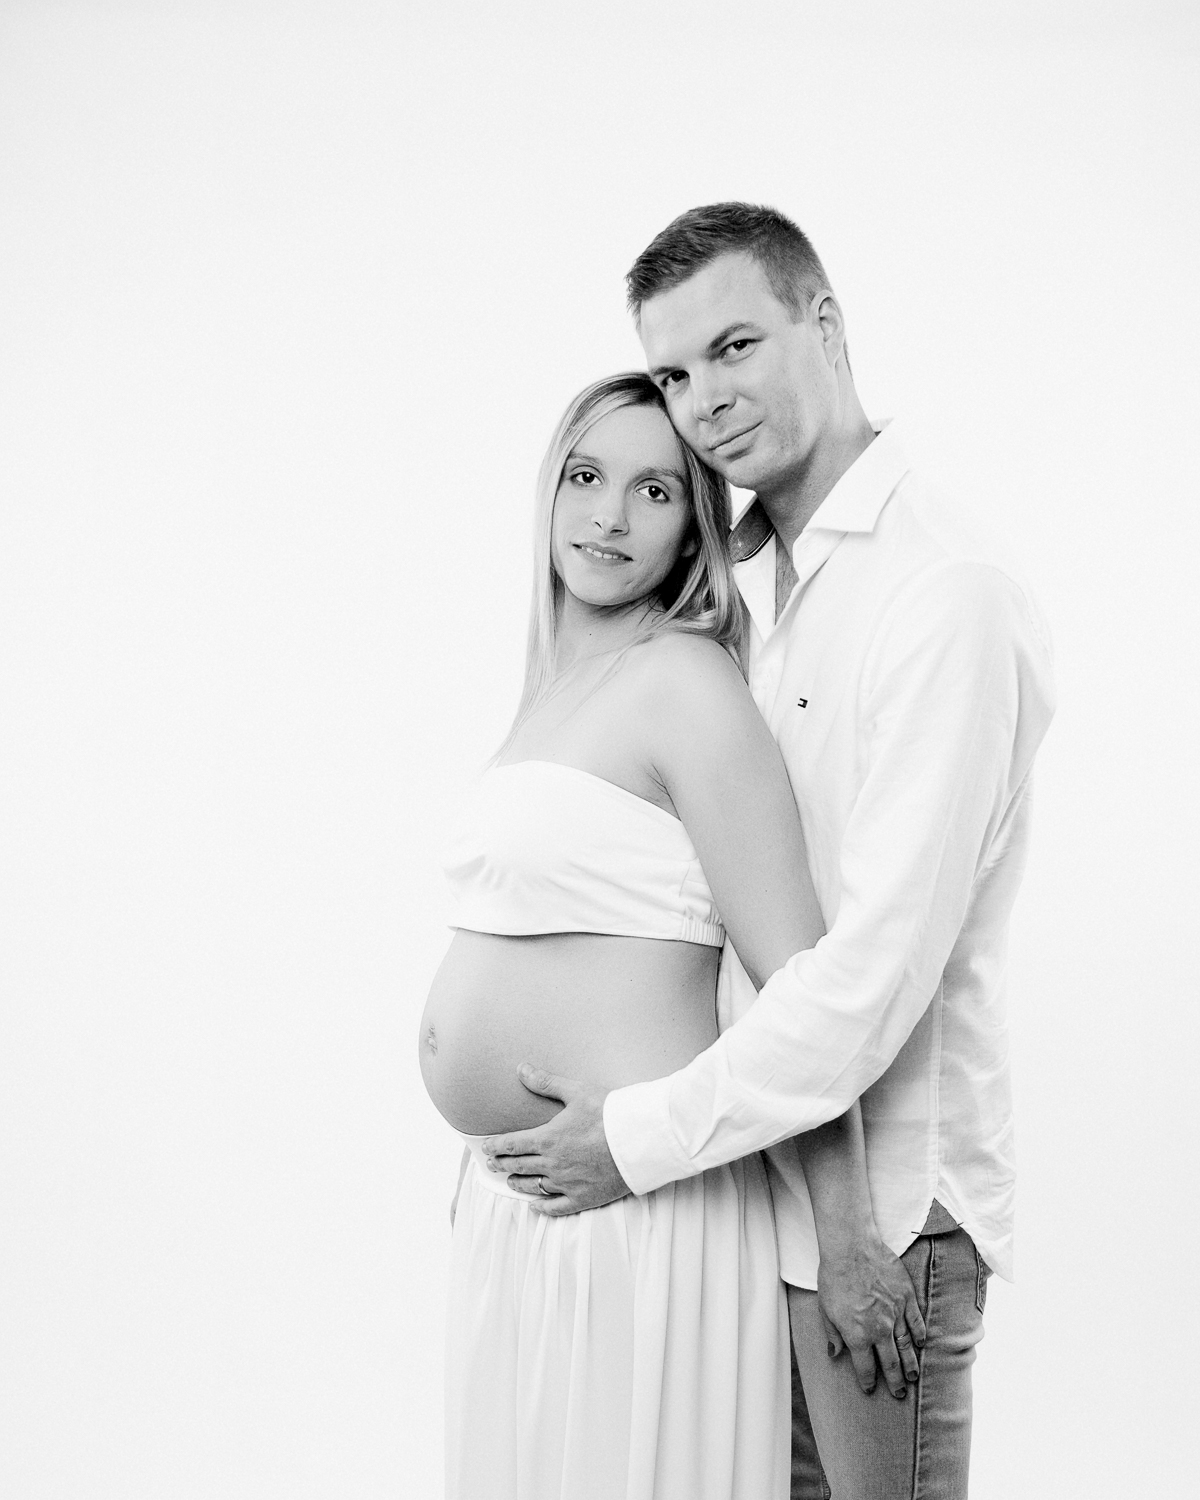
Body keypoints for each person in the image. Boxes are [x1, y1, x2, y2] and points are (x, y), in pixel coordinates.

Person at [484, 204, 1057, 1499]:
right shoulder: (767, 595)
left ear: (826, 325)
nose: (704, 402)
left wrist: (631, 1140)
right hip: (763, 1182)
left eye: (734, 346)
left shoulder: (937, 594)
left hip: (886, 1207)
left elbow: (865, 975)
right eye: (677, 372)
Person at [419, 371, 924, 1500]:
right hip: (528, 1216)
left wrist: (844, 1238)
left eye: (654, 491)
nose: (608, 516)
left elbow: (800, 979)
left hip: (643, 1215)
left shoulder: (685, 682)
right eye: (588, 477)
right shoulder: (553, 693)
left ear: (696, 527)